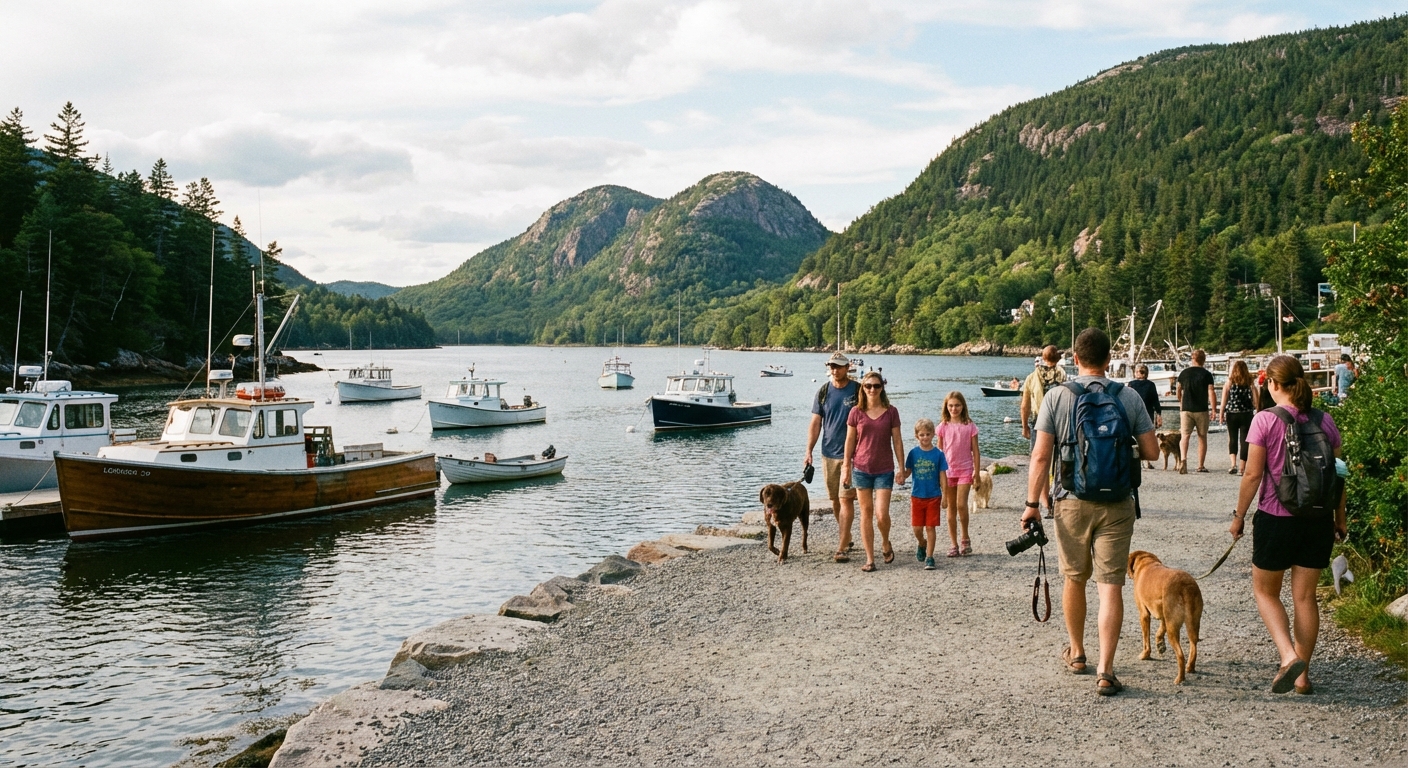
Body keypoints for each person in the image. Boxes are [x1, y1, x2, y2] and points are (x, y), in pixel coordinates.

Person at [1024, 328, 1158, 696]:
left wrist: (1032, 504)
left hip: (1070, 500)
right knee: (1110, 585)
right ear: (1108, 359)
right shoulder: (1127, 396)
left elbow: (1039, 455)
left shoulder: (1057, 396)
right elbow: (1152, 452)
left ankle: (1079, 653)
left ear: (1076, 358)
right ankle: (1106, 669)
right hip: (1117, 503)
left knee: (1074, 578)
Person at [1230, 355, 1347, 695]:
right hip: (1318, 520)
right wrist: (1339, 518)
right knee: (1305, 598)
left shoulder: (1264, 420)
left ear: (1274, 385)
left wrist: (1238, 517)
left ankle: (1287, 655)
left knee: (1265, 592)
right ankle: (1303, 676)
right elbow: (1338, 476)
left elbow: (1252, 475)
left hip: (1275, 519)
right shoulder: (1326, 421)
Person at [843, 370, 906, 572]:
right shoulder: (856, 412)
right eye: (868, 386)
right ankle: (870, 558)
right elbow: (850, 441)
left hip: (884, 469)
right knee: (866, 513)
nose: (872, 389)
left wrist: (902, 468)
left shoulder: (891, 411)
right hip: (861, 468)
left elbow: (897, 440)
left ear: (882, 388)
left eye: (876, 386)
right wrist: (846, 467)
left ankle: (885, 542)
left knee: (881, 515)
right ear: (863, 388)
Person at [806, 351, 860, 563]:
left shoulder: (857, 390)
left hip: (853, 455)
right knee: (835, 500)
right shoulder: (823, 391)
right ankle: (846, 536)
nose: (835, 370)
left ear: (847, 367)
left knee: (846, 500)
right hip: (828, 453)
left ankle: (841, 546)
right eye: (832, 366)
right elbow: (816, 423)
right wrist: (808, 450)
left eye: (839, 366)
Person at [937, 391, 980, 557]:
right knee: (950, 508)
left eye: (957, 405)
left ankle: (965, 537)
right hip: (948, 471)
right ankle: (953, 543)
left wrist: (976, 472)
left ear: (963, 406)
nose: (954, 408)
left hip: (965, 469)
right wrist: (937, 473)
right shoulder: (943, 426)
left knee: (961, 504)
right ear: (946, 407)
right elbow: (939, 451)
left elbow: (975, 450)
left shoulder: (969, 425)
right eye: (951, 406)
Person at [905, 418, 948, 570]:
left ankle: (930, 557)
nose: (925, 438)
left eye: (928, 434)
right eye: (922, 435)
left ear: (933, 435)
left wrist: (945, 496)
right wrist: (901, 476)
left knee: (930, 527)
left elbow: (943, 476)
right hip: (917, 496)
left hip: (933, 496)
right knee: (917, 528)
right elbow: (908, 472)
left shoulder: (938, 454)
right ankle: (921, 543)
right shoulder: (913, 453)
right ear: (917, 436)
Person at [1176, 349, 1217, 473]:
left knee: (1185, 436)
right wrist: (1214, 409)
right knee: (1202, 437)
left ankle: (1183, 460)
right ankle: (1200, 465)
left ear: (1192, 359)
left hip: (1186, 408)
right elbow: (1211, 392)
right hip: (1201, 409)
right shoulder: (1206, 374)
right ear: (1203, 360)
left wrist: (1181, 402)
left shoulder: (1184, 373)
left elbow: (1178, 389)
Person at [1220, 359, 1259, 475]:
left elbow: (1223, 401)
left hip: (1232, 414)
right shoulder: (1250, 383)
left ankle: (1233, 464)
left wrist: (1221, 414)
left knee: (1232, 438)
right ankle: (1242, 467)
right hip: (1246, 414)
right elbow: (1256, 401)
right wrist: (1257, 410)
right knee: (1244, 440)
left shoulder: (1229, 383)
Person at [1126, 364, 1162, 470]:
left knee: (1131, 436)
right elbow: (1155, 400)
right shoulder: (1151, 385)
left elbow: (1127, 399)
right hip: (1147, 412)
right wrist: (1159, 414)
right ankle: (1147, 461)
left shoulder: (1131, 384)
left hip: (1132, 412)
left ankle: (1135, 460)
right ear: (1146, 373)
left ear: (1137, 372)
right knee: (1147, 437)